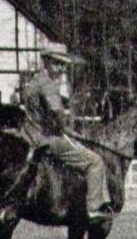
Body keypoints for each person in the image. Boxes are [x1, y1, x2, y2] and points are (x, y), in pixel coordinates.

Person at [13, 50, 111, 222]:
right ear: (46, 62)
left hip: (29, 135)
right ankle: (94, 209)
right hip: (47, 139)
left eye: (63, 64)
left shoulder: (33, 81)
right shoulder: (49, 84)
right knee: (95, 161)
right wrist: (66, 129)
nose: (60, 68)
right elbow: (56, 113)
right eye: (57, 63)